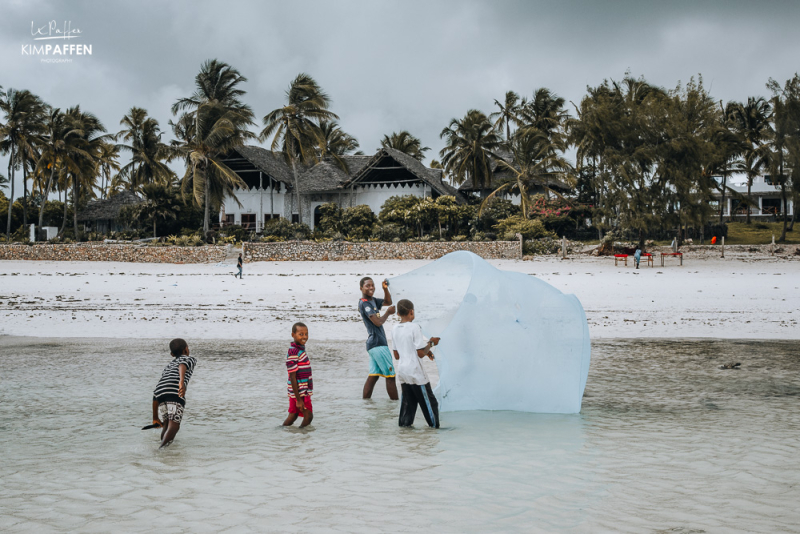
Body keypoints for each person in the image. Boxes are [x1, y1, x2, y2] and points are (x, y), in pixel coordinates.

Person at [391, 299, 440, 428]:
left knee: (409, 404)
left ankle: (405, 433)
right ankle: (435, 429)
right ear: (411, 312)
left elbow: (396, 355)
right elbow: (420, 353)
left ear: (398, 313)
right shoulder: (415, 327)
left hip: (403, 372)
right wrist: (432, 343)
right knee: (431, 403)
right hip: (416, 373)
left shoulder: (395, 328)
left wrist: (425, 349)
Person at [151, 338, 197, 448]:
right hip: (174, 392)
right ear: (186, 349)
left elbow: (156, 394)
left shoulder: (168, 367)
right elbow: (182, 364)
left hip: (160, 394)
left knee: (166, 424)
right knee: (174, 426)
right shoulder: (189, 359)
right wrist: (181, 382)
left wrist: (155, 418)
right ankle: (161, 449)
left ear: (172, 354)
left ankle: (163, 447)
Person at [358, 277, 397, 400]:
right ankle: (395, 408)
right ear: (361, 288)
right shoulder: (365, 303)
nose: (371, 288)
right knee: (390, 376)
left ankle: (366, 405)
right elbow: (378, 322)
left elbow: (388, 301)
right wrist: (388, 313)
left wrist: (385, 289)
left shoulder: (372, 300)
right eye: (367, 286)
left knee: (373, 376)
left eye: (372, 285)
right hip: (378, 344)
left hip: (373, 345)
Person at [283, 322, 314, 428]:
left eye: (306, 334)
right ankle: (302, 438)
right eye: (301, 334)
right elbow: (292, 376)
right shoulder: (293, 352)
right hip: (300, 392)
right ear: (293, 335)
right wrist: (299, 399)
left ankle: (282, 432)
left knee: (293, 415)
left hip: (300, 390)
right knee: (308, 415)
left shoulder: (300, 349)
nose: (304, 337)